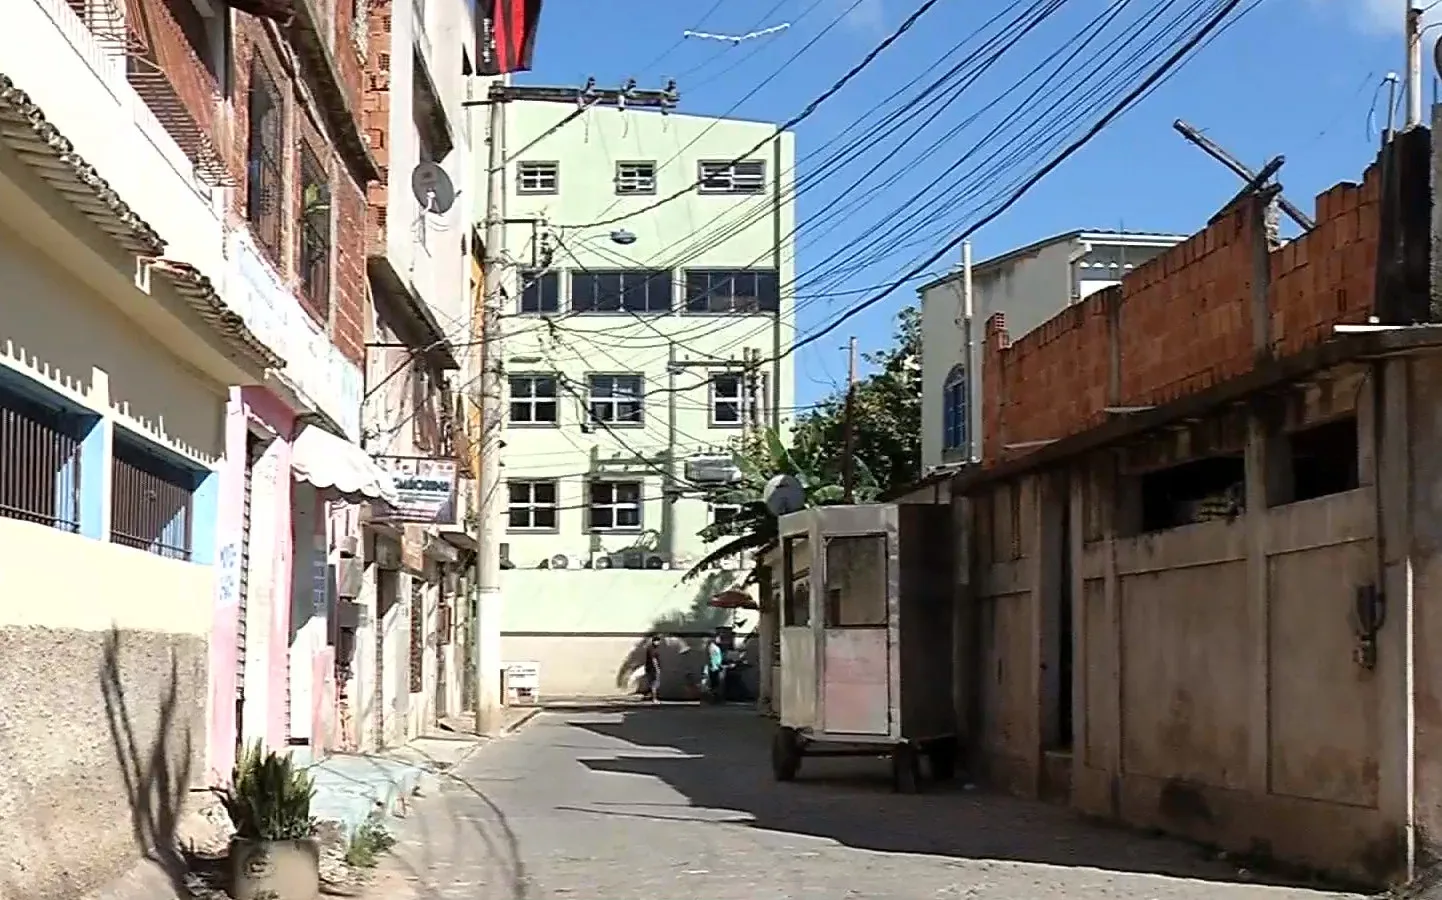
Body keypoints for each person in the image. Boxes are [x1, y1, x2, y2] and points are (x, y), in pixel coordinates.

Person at [704, 630, 726, 703]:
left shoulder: (714, 647)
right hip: (714, 668)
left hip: (715, 667)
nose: (720, 639)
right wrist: (717, 666)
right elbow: (712, 658)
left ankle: (714, 698)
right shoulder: (712, 647)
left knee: (715, 684)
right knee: (715, 684)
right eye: (719, 637)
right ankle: (714, 698)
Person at [642, 634, 663, 704]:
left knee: (651, 684)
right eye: (658, 641)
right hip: (652, 669)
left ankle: (648, 696)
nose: (658, 643)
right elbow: (653, 659)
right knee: (654, 684)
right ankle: (654, 699)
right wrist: (657, 668)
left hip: (649, 668)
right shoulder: (652, 649)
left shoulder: (651, 648)